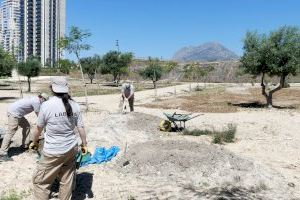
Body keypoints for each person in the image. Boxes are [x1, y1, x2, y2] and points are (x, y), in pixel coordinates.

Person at [31, 76, 87, 200]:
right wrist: (84, 145)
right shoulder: (75, 105)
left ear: (52, 88)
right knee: (66, 180)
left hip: (53, 151)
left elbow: (38, 129)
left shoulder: (46, 105)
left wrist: (34, 142)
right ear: (66, 89)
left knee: (40, 182)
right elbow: (81, 128)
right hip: (71, 148)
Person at [0, 93, 49, 161]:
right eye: (45, 101)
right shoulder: (36, 102)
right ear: (42, 98)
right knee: (10, 132)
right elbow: (39, 116)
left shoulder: (35, 99)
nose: (44, 103)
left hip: (17, 113)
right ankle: (2, 154)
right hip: (14, 114)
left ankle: (24, 146)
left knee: (26, 126)